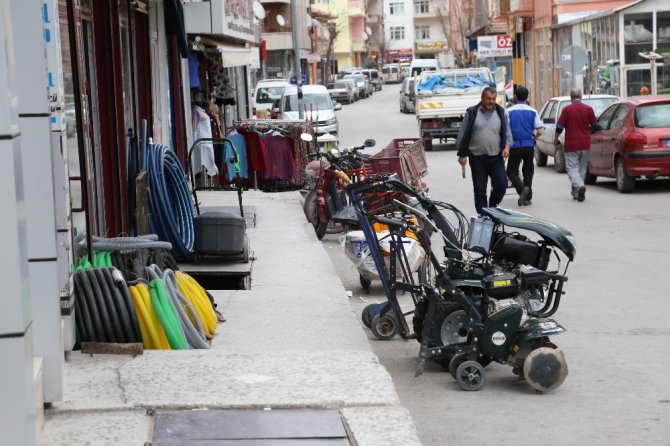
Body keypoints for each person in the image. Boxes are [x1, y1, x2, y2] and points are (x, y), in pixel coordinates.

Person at [456, 86, 512, 215]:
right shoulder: (472, 112)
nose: (491, 101)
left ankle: (492, 209)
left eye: (493, 99)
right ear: (482, 98)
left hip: (496, 157)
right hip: (477, 158)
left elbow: (508, 134)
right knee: (480, 189)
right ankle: (483, 215)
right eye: (488, 98)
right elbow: (463, 134)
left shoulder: (501, 112)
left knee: (501, 185)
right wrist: (462, 154)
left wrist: (507, 147)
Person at [554, 88, 597, 202]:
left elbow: (559, 127)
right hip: (585, 143)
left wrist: (556, 138)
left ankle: (579, 186)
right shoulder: (588, 109)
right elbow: (595, 126)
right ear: (581, 96)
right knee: (582, 169)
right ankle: (577, 193)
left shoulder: (567, 110)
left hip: (572, 144)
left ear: (571, 97)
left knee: (572, 168)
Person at [506, 86, 544, 206]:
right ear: (527, 97)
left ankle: (522, 189)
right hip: (528, 145)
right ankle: (527, 197)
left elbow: (505, 130)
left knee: (512, 171)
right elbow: (540, 130)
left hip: (515, 145)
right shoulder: (533, 111)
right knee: (528, 171)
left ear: (515, 97)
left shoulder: (508, 111)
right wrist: (534, 138)